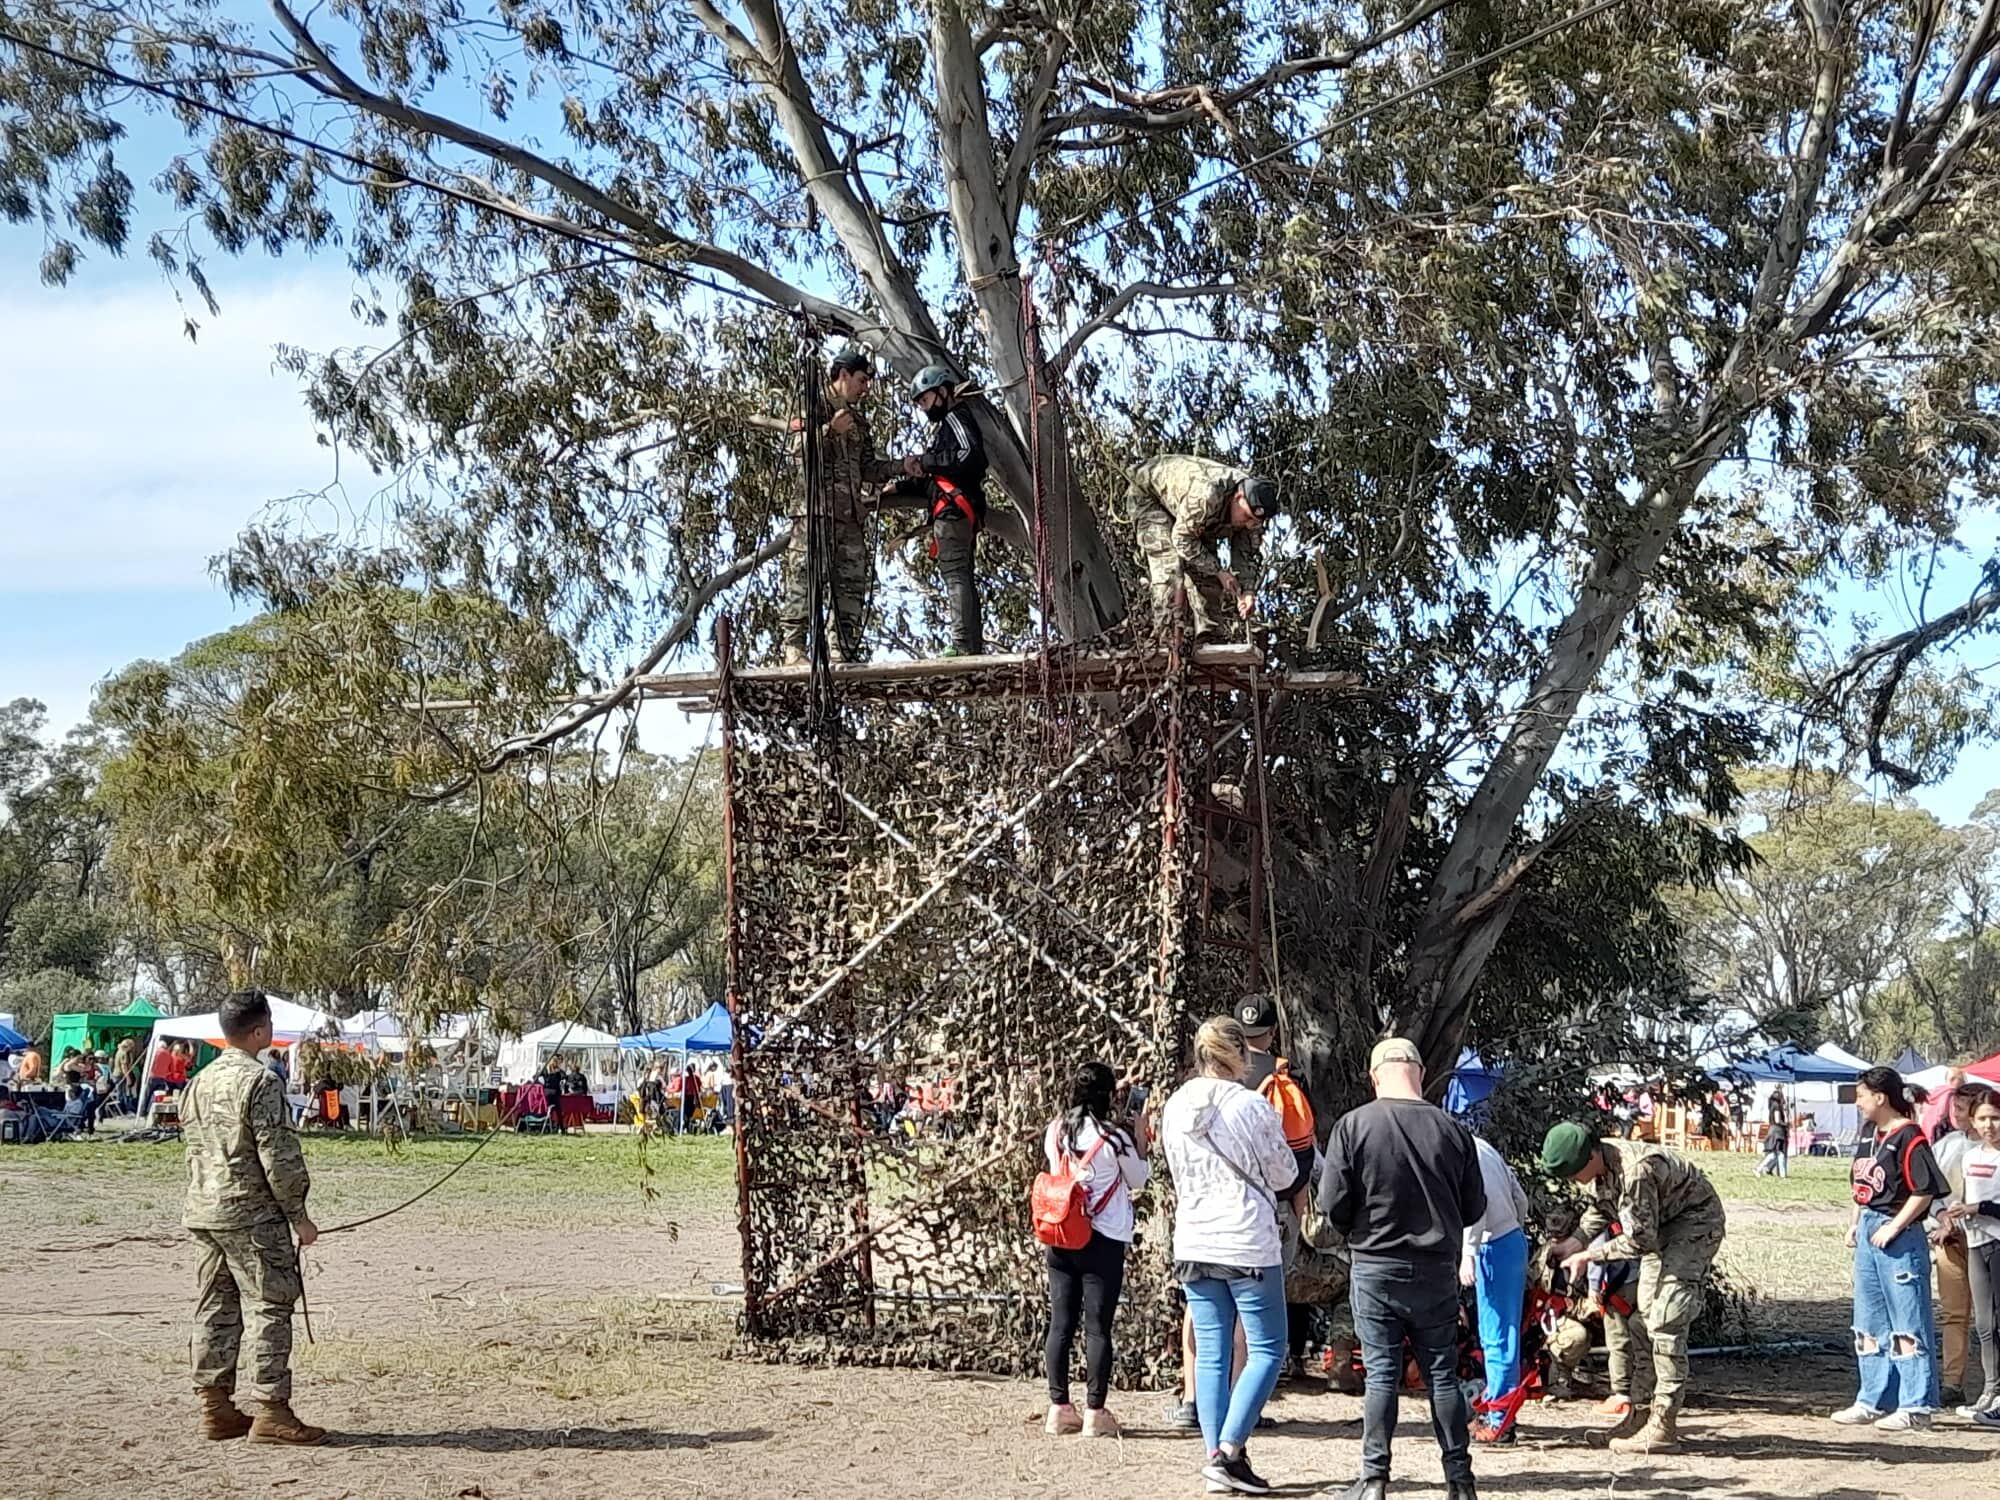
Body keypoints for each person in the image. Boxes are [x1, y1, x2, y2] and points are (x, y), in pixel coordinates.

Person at [1318, 1038, 1485, 1500]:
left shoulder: (1353, 1126)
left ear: (1375, 1076)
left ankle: (1374, 1480)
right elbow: (1474, 1207)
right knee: (1442, 1376)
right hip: (1436, 1270)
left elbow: (1332, 1204)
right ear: (1421, 1070)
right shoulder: (1453, 1131)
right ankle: (1460, 1481)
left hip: (1375, 1268)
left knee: (1382, 1375)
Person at [181, 991, 325, 1444]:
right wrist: (299, 1215)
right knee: (270, 1305)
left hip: (204, 1211)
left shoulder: (199, 1081)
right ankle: (271, 1411)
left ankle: (216, 1407)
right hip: (252, 1216)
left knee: (216, 1309)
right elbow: (278, 1157)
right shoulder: (261, 1081)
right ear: (260, 1031)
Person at [1161, 1016, 1297, 1495]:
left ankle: (1214, 1455)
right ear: (1241, 1055)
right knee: (1267, 1347)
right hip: (1247, 1240)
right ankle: (1229, 1448)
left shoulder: (1175, 1105)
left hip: (1195, 1238)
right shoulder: (1251, 1105)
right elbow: (1283, 1174)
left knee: (1212, 1352)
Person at [1542, 1122, 1726, 1453]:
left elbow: (1640, 1239)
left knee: (1666, 1320)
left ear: (1590, 1156)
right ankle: (1638, 1416)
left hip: (1692, 1226)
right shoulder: (1603, 1165)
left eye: (1574, 1174)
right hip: (1660, 1233)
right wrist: (1574, 1242)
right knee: (1642, 1323)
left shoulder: (1636, 1171)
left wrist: (1590, 1255)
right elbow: (1601, 1207)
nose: (1574, 1182)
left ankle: (1664, 1426)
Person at [1831, 1065, 1949, 1430]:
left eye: (1863, 1096)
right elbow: (1862, 1186)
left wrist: (1895, 1226)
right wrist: (1855, 1224)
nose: (1859, 1103)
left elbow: (1924, 1189)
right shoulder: (1869, 1133)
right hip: (1868, 1226)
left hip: (1899, 1233)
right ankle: (1874, 1397)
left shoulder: (1910, 1136)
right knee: (1868, 1320)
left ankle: (1916, 1405)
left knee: (1908, 1320)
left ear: (1880, 1097)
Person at [1042, 1061, 1151, 1438]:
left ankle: (1058, 1408)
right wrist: (1139, 1134)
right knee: (1097, 1327)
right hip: (1102, 1238)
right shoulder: (1113, 1138)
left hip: (1060, 1234)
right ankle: (1095, 1410)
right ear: (1108, 1097)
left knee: (1060, 1323)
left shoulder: (1056, 1130)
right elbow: (1138, 1179)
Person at [778, 346, 901, 666]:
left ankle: (842, 649)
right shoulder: (814, 405)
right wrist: (829, 430)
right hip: (816, 512)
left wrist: (903, 467)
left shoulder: (859, 421)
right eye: (861, 380)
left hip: (850, 517)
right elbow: (797, 452)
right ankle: (794, 648)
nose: (865, 388)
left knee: (851, 584)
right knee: (805, 579)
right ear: (843, 375)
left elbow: (869, 468)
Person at [885, 366, 985, 657]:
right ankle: (969, 644)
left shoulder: (956, 418)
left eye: (925, 400)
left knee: (955, 574)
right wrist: (902, 487)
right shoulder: (947, 427)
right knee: (960, 574)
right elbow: (935, 479)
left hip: (954, 511)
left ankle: (964, 644)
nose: (923, 408)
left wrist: (927, 461)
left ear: (943, 392)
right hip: (954, 508)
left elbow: (969, 456)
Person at [1128, 455, 1279, 641]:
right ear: (1238, 497)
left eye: (1254, 522)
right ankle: (1167, 640)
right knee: (1170, 572)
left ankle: (1210, 638)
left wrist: (1247, 591)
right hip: (1149, 497)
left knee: (1209, 576)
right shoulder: (1207, 495)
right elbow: (1182, 539)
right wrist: (1219, 571)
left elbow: (1244, 554)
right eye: (1247, 517)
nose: (1248, 524)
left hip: (1194, 517)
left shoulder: (1250, 519)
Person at [1463, 1133, 1532, 1442]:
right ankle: (1499, 1411)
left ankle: (1500, 1421)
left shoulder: (1462, 1154)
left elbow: (1475, 1208)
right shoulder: (1485, 1147)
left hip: (1492, 1245)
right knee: (1505, 1333)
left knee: (1496, 1336)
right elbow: (1520, 1198)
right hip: (1513, 1239)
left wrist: (1469, 1254)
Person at [1944, 1085, 2000, 1425]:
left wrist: (1979, 1207)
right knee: (1983, 1323)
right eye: (1982, 1118)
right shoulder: (1971, 1156)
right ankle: (1991, 1389)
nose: (1989, 1125)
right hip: (1977, 1242)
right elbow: (1964, 1194)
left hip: (1997, 1240)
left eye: (1995, 1118)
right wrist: (1956, 1211)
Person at [1931, 1085, 1978, 1406]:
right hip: (1949, 1238)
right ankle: (1952, 1381)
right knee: (1954, 1313)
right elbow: (1929, 1190)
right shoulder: (1945, 1145)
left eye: (1962, 1108)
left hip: (1988, 1239)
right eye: (1953, 1107)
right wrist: (1941, 1217)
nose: (1955, 1114)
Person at [1757, 1088, 1790, 1178]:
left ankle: (1771, 1170)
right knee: (1778, 1153)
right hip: (1777, 1132)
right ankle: (1760, 1168)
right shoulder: (1776, 1107)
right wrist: (1786, 1124)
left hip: (1776, 1131)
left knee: (1776, 1154)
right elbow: (1777, 1120)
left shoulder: (1773, 1106)